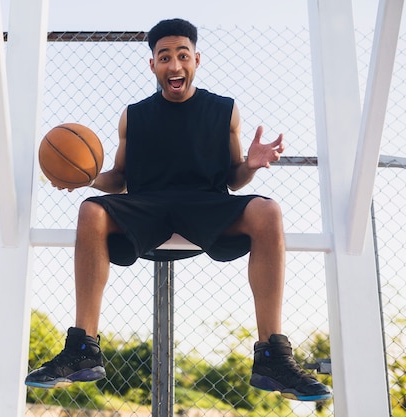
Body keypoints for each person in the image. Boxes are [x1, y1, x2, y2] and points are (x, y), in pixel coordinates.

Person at [25, 18, 332, 402]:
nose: (174, 65)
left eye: (182, 55)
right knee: (91, 211)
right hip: (147, 204)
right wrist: (87, 179)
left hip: (206, 202)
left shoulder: (225, 110)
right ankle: (82, 347)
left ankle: (272, 356)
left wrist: (251, 165)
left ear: (196, 60)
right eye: (164, 56)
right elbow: (119, 178)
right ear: (152, 65)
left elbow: (233, 181)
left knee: (268, 212)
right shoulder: (133, 116)